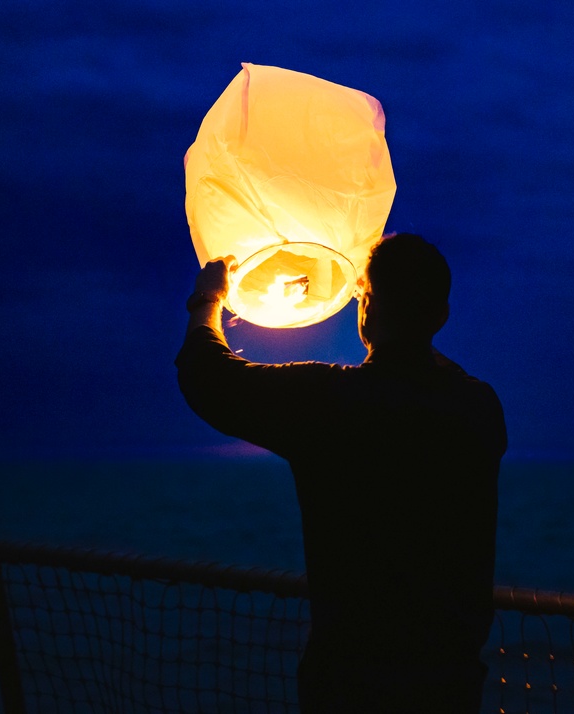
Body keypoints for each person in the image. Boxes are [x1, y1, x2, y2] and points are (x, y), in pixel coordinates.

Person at [175, 233, 507, 712]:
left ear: (366, 307)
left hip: (347, 687)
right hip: (450, 687)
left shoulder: (330, 401)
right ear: (441, 315)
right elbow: (428, 376)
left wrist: (208, 298)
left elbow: (205, 375)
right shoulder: (480, 409)